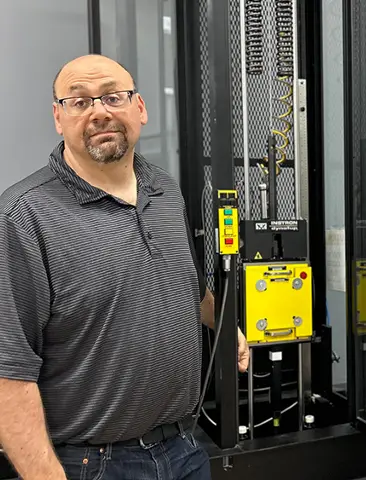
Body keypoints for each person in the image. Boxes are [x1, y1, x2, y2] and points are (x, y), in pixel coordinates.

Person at [0, 54, 249, 480]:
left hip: (184, 448)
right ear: (58, 118)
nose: (99, 111)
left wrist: (225, 326)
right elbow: (7, 370)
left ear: (140, 108)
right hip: (89, 464)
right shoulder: (23, 217)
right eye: (79, 102)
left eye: (113, 97)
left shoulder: (165, 190)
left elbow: (185, 283)